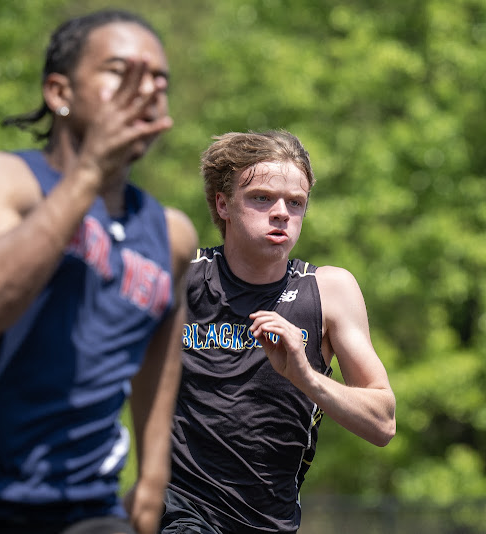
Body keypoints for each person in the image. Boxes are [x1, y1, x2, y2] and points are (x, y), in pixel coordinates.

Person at [0, 9, 197, 534]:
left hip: (85, 511)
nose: (146, 91)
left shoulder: (171, 235)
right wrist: (90, 174)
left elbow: (162, 349)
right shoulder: (0, 180)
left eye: (159, 80)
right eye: (121, 72)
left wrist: (155, 470)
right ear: (59, 92)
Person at [159, 130, 396, 534]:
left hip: (272, 522)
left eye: (296, 202)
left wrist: (305, 376)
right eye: (262, 198)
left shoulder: (329, 291)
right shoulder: (180, 278)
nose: (282, 212)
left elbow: (382, 423)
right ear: (223, 204)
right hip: (180, 513)